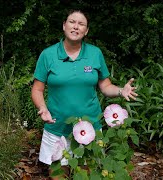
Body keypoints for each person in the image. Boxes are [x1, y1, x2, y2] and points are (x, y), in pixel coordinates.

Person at [31, 9, 138, 177]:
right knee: (58, 174)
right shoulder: (48, 54)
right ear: (64, 26)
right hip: (57, 126)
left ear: (86, 31)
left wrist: (120, 90)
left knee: (88, 174)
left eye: (81, 24)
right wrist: (43, 108)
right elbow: (37, 89)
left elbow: (105, 86)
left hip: (89, 127)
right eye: (72, 22)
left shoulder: (95, 53)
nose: (76, 27)